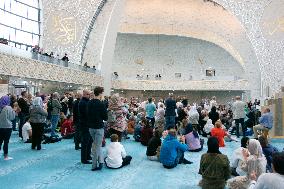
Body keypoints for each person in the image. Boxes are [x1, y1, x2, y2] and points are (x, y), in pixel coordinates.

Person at [87, 87, 108, 171]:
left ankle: (101, 161)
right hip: (99, 127)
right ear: (100, 93)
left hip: (91, 127)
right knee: (96, 146)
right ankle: (94, 165)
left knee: (96, 145)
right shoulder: (101, 104)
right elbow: (105, 117)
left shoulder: (89, 103)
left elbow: (87, 115)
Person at [0, 95, 17, 160]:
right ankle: (6, 156)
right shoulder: (8, 108)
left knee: (0, 141)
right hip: (7, 127)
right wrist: (14, 111)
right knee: (6, 142)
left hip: (0, 127)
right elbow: (12, 117)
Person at [78, 90, 92, 164]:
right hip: (85, 124)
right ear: (84, 94)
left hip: (87, 124)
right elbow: (87, 114)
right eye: (88, 94)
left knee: (89, 141)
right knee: (85, 142)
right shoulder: (83, 102)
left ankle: (88, 155)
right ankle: (84, 159)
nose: (89, 96)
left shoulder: (86, 102)